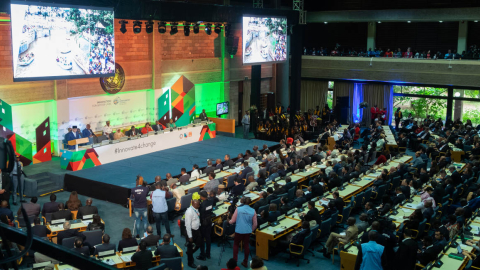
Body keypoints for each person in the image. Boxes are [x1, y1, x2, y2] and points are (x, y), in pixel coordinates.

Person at [228, 197, 257, 268]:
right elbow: (255, 224)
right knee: (246, 245)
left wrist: (229, 221)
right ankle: (245, 262)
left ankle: (235, 262)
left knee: (236, 245)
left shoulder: (238, 209)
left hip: (239, 230)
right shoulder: (253, 211)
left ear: (243, 202)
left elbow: (233, 221)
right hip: (247, 231)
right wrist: (251, 230)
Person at [185, 200, 202, 268]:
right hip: (191, 232)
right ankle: (190, 263)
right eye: (198, 205)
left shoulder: (196, 209)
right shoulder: (189, 212)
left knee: (199, 243)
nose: (199, 206)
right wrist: (190, 236)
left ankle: (190, 253)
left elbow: (197, 218)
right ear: (193, 204)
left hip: (197, 230)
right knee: (190, 248)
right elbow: (188, 225)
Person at [198, 191, 213, 260]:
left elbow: (200, 215)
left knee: (201, 239)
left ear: (201, 197)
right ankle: (208, 254)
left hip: (203, 224)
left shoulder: (202, 205)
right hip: (209, 222)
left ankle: (202, 255)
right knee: (208, 238)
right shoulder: (210, 201)